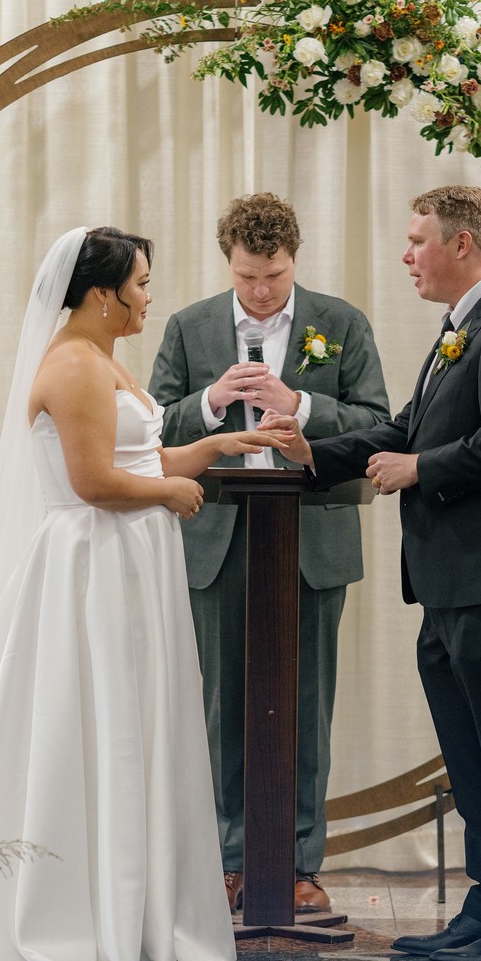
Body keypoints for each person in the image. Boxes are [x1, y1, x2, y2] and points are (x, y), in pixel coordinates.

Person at [0, 226, 291, 961]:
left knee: (131, 718)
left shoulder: (102, 357)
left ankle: (130, 902)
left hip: (130, 557)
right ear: (100, 293)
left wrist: (208, 453)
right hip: (94, 561)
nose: (146, 298)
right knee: (95, 721)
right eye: (137, 284)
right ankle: (73, 911)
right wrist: (170, 492)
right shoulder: (71, 365)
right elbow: (92, 483)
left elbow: (137, 455)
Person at [263, 186, 481, 961]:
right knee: (471, 763)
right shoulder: (458, 329)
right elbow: (403, 427)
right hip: (450, 581)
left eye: (416, 240)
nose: (406, 254)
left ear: (461, 244)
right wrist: (311, 452)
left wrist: (418, 467)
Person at [149, 193, 390, 914]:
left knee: (305, 704)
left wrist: (302, 406)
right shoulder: (189, 326)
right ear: (229, 262)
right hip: (217, 537)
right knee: (222, 703)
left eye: (274, 277)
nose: (259, 292)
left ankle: (298, 862)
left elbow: (380, 422)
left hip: (309, 533)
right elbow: (152, 426)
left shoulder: (341, 322)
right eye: (247, 276)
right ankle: (228, 858)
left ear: (294, 260)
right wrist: (210, 401)